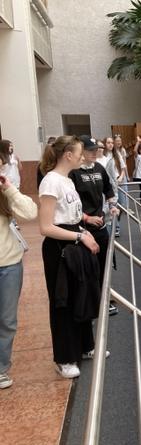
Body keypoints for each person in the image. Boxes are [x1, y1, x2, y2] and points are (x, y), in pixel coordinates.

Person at [38, 135, 103, 379]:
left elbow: (73, 216)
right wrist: (79, 237)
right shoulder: (50, 182)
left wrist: (84, 232)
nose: (82, 157)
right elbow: (46, 227)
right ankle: (64, 358)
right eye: (79, 153)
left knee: (81, 295)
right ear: (68, 155)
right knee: (63, 302)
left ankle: (85, 346)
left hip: (75, 239)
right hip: (59, 248)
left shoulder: (67, 180)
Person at [69, 135, 119, 315]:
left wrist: (112, 205)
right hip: (82, 228)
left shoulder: (99, 168)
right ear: (80, 151)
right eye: (90, 150)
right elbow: (69, 204)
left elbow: (108, 188)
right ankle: (91, 302)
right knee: (88, 267)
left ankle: (104, 298)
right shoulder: (73, 173)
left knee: (104, 263)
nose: (94, 153)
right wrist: (87, 218)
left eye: (96, 150)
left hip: (101, 226)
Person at [0, 148, 37, 389]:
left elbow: (30, 212)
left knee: (7, 321)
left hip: (9, 265)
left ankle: (1, 368)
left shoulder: (5, 192)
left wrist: (9, 189)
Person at [105, 136, 127, 236]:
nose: (110, 144)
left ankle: (116, 222)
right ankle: (116, 226)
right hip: (108, 184)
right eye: (108, 142)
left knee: (122, 204)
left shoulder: (117, 154)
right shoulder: (103, 155)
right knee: (111, 204)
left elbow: (123, 168)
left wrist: (121, 177)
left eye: (112, 143)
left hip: (118, 181)